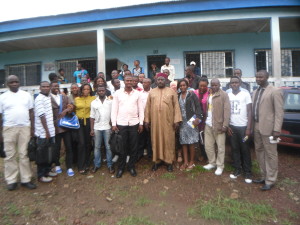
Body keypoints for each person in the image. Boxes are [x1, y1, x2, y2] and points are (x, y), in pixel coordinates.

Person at [0, 75, 36, 190]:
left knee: (23, 154)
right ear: (7, 84)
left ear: (19, 83)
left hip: (24, 127)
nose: (14, 84)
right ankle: (11, 180)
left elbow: (31, 112)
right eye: (12, 82)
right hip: (8, 128)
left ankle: (26, 179)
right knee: (10, 155)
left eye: (16, 82)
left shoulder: (26, 95)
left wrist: (32, 128)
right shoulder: (3, 97)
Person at [252, 70, 284, 191]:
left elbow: (279, 112)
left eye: (261, 77)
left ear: (267, 77)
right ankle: (263, 176)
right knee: (259, 151)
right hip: (256, 126)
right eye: (257, 77)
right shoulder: (255, 92)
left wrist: (277, 129)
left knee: (270, 154)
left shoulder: (275, 91)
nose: (258, 79)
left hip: (269, 128)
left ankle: (271, 180)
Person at [144, 73, 182, 172]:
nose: (160, 81)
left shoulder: (171, 92)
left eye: (162, 79)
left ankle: (169, 162)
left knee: (168, 140)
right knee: (156, 140)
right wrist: (147, 120)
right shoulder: (152, 93)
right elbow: (148, 107)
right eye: (158, 79)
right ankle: (157, 161)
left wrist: (177, 120)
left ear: (166, 81)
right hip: (155, 122)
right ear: (156, 81)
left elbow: (176, 106)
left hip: (168, 122)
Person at [111, 75, 144, 178]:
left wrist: (141, 123)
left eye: (131, 81)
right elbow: (114, 109)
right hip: (121, 124)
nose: (129, 82)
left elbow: (141, 109)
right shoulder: (118, 93)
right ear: (124, 82)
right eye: (127, 80)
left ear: (134, 82)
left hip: (134, 123)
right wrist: (113, 123)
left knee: (133, 147)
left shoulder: (137, 94)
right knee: (122, 147)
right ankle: (121, 168)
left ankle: (131, 167)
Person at [227, 76, 253, 183]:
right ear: (230, 84)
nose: (234, 84)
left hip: (243, 128)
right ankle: (237, 169)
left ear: (240, 83)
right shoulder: (228, 95)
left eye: (236, 82)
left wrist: (248, 128)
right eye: (232, 82)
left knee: (245, 149)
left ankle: (248, 172)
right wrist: (228, 126)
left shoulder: (245, 94)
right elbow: (226, 112)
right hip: (232, 127)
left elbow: (250, 112)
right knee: (235, 149)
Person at [203, 78, 230, 176]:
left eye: (216, 85)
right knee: (208, 146)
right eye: (212, 85)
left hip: (219, 125)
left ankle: (220, 166)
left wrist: (225, 125)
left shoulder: (224, 95)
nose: (214, 87)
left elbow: (227, 111)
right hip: (208, 124)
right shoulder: (209, 94)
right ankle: (212, 163)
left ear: (219, 85)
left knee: (221, 147)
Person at [50, 81, 75, 177]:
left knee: (69, 147)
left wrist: (66, 110)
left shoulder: (64, 97)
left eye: (57, 86)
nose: (56, 87)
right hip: (54, 126)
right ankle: (57, 165)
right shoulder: (48, 98)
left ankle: (69, 167)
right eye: (54, 86)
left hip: (65, 126)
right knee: (56, 148)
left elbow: (71, 106)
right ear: (50, 87)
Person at [177, 79, 202, 171]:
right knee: (183, 142)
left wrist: (198, 118)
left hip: (191, 120)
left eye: (184, 85)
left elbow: (198, 107)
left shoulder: (192, 95)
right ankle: (185, 161)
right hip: (182, 122)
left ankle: (191, 161)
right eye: (181, 86)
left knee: (191, 142)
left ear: (187, 86)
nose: (182, 87)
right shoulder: (178, 96)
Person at [34, 81, 56, 183]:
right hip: (43, 133)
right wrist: (47, 131)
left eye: (48, 86)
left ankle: (47, 171)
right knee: (42, 154)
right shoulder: (39, 99)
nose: (46, 88)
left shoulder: (47, 97)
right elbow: (42, 116)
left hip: (50, 132)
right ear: (40, 88)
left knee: (48, 154)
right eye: (44, 86)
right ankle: (41, 175)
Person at [90, 86, 115, 174]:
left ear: (105, 91)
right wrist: (91, 129)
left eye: (103, 90)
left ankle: (110, 164)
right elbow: (92, 117)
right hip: (97, 128)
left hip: (107, 127)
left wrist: (113, 125)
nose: (101, 92)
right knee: (97, 147)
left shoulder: (110, 102)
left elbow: (113, 114)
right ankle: (97, 164)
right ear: (97, 92)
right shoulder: (93, 102)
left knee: (108, 147)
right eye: (99, 90)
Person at [74, 84, 96, 174]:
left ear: (90, 90)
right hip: (79, 122)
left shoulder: (93, 98)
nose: (86, 91)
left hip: (89, 122)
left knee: (88, 144)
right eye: (84, 89)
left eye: (88, 89)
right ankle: (81, 165)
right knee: (81, 143)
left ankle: (87, 163)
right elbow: (73, 110)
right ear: (81, 90)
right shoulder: (77, 99)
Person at [193, 77, 209, 162]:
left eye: (204, 86)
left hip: (206, 118)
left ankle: (207, 155)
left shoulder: (210, 93)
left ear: (207, 86)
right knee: (197, 137)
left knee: (205, 137)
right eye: (200, 86)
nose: (202, 87)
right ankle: (199, 154)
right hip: (196, 118)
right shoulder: (194, 93)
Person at [137, 78, 152, 160]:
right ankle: (140, 153)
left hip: (152, 118)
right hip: (142, 118)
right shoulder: (139, 94)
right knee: (141, 137)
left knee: (150, 137)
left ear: (150, 83)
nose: (145, 84)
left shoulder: (153, 92)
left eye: (147, 82)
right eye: (143, 83)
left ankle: (150, 154)